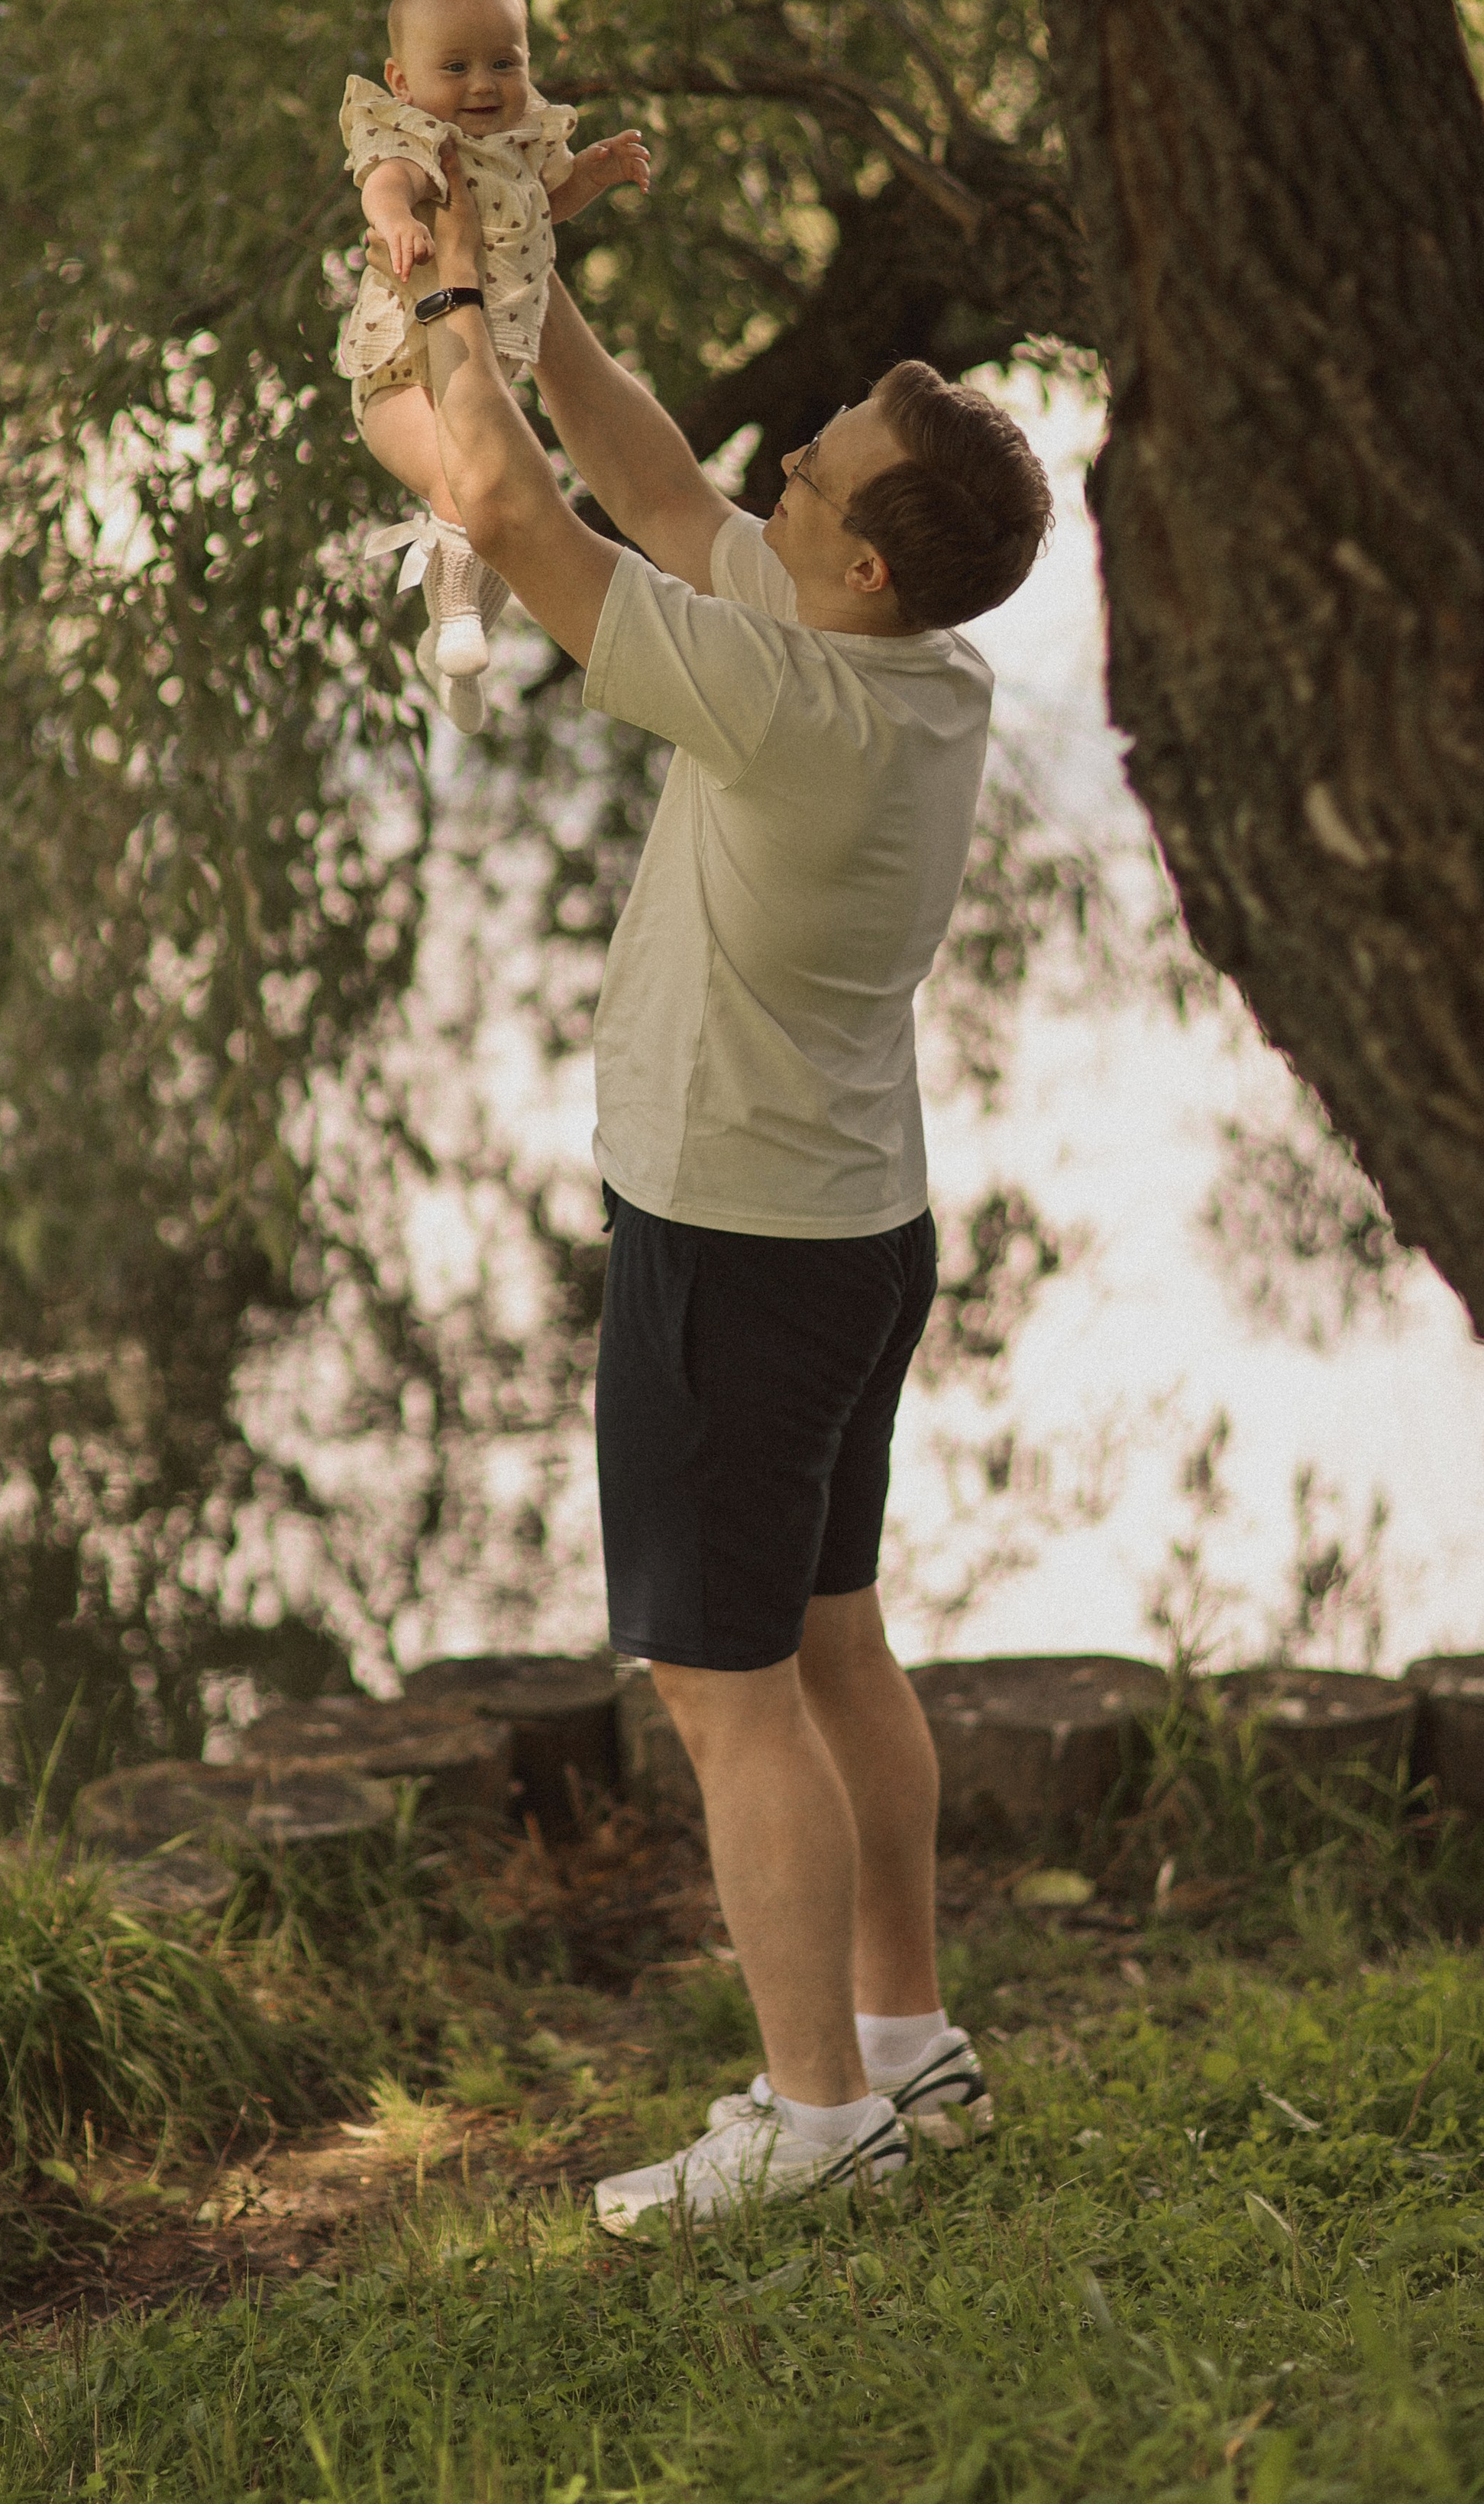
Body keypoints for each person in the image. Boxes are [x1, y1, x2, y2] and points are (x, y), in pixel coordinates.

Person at [406, 135, 1052, 2234]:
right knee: (840, 1640)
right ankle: (904, 2048)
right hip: (860, 1234)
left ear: (861, 564)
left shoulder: (790, 706)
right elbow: (668, 484)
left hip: (738, 1248)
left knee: (725, 1688)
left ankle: (807, 2116)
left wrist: (425, 291)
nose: (783, 476)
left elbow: (509, 508)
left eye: (822, 475)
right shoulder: (920, 664)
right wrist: (529, 279)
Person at [338, 0, 649, 730]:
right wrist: (400, 220)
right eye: (455, 66)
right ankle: (454, 617)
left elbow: (546, 208)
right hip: (398, 381)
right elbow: (385, 183)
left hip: (475, 376)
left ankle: (456, 647)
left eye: (503, 62)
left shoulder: (519, 146)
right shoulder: (413, 138)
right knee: (465, 484)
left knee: (514, 506)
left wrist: (594, 176)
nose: (482, 84)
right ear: (402, 81)